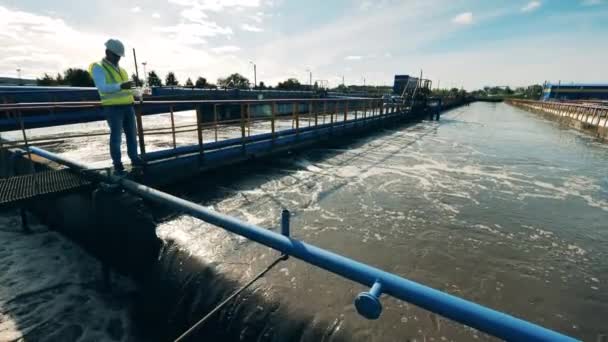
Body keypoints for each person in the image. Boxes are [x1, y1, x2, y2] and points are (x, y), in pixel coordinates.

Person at [89, 38, 143, 174]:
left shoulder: (121, 70)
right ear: (107, 52)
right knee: (116, 137)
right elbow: (102, 88)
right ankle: (118, 164)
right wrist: (121, 85)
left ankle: (134, 158)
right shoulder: (98, 67)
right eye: (116, 56)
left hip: (128, 106)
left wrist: (138, 93)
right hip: (113, 108)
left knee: (132, 134)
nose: (118, 59)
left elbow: (127, 89)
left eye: (119, 56)